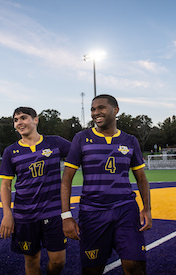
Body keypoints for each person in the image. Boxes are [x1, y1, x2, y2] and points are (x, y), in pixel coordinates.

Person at [61, 94, 152, 275]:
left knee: (135, 267)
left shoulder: (130, 140)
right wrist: (66, 216)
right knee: (92, 270)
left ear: (115, 110)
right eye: (93, 109)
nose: (96, 113)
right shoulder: (81, 138)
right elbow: (66, 180)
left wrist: (147, 209)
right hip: (92, 212)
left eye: (101, 108)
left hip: (125, 210)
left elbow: (141, 178)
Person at [0, 107, 71, 275]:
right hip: (25, 215)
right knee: (31, 260)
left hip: (53, 213)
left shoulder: (55, 142)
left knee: (58, 261)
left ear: (36, 120)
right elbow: (5, 185)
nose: (19, 123)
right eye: (16, 120)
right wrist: (7, 214)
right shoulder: (10, 151)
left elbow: (81, 153)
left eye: (23, 118)